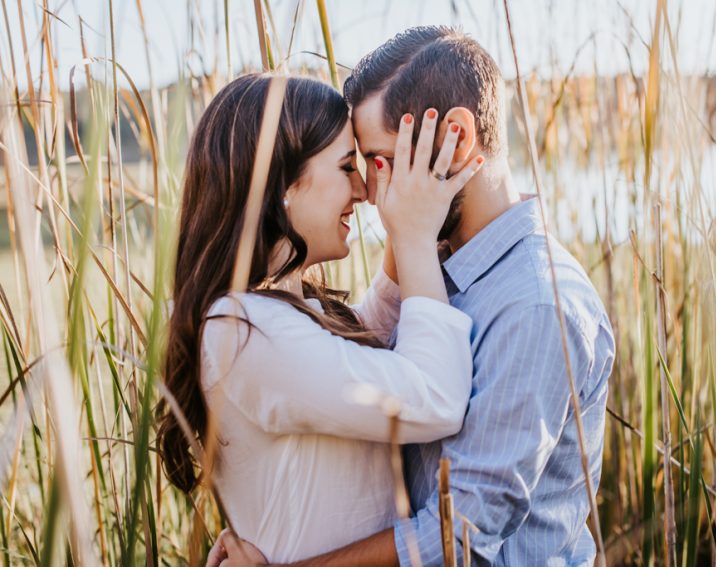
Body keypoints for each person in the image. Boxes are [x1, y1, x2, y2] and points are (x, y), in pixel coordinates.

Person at [210, 26, 615, 567]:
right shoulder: (438, 268)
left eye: (380, 161)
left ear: (457, 138)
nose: (371, 191)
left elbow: (460, 534)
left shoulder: (533, 304)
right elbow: (362, 353)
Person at [155, 73, 485, 563]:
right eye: (347, 166)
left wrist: (407, 212)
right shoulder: (243, 330)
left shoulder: (277, 312)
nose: (362, 190)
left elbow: (374, 331)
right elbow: (434, 397)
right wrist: (415, 238)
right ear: (282, 183)